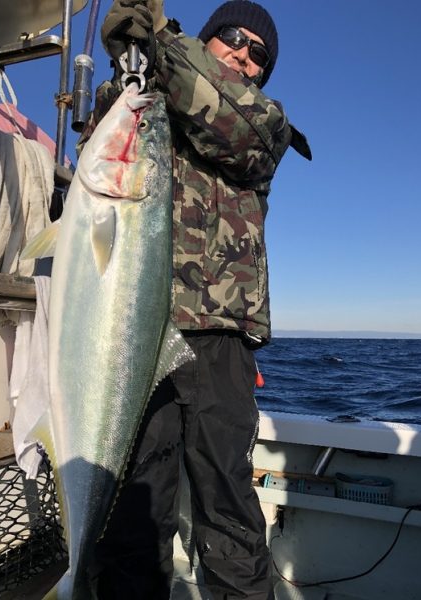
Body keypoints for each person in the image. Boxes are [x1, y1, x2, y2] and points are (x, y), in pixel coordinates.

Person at [78, 1, 311, 598]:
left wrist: (162, 39)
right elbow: (103, 140)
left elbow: (232, 122)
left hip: (220, 336)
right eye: (233, 38)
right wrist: (129, 57)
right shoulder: (152, 100)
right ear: (209, 40)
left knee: (227, 509)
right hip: (135, 329)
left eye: (260, 53)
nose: (244, 53)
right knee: (134, 510)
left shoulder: (265, 121)